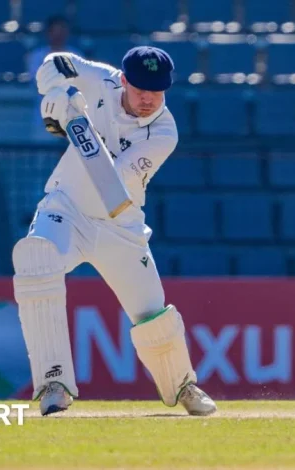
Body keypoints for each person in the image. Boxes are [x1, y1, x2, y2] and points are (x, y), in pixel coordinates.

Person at [13, 46, 217, 416]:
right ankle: (53, 384)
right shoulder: (101, 79)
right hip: (66, 208)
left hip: (119, 222)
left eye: (156, 91)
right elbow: (55, 63)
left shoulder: (164, 132)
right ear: (123, 80)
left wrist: (75, 123)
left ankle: (182, 385)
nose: (148, 99)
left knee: (151, 312)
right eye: (140, 89)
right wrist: (54, 93)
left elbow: (110, 181)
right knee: (36, 261)